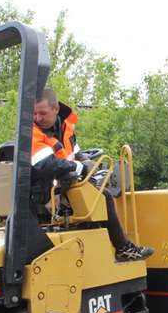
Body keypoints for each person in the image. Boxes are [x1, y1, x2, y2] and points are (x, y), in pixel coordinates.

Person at [31, 88, 153, 261]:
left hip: (65, 182)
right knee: (104, 198)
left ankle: (112, 246)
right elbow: (45, 165)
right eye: (35, 114)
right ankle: (123, 248)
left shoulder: (66, 127)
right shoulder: (33, 133)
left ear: (55, 109)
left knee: (97, 192)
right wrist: (80, 167)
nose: (37, 118)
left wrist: (86, 161)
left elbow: (74, 152)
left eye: (42, 113)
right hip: (46, 189)